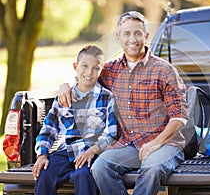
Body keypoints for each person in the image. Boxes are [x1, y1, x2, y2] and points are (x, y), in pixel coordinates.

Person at [58, 11, 188, 195]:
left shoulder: (164, 70)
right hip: (129, 144)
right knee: (100, 168)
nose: (132, 39)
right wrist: (65, 86)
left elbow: (179, 116)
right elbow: (85, 79)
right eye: (126, 33)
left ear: (146, 36)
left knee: (152, 170)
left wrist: (155, 144)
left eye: (138, 33)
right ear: (118, 37)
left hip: (165, 144)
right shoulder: (109, 70)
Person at [32, 45, 118, 195]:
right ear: (75, 66)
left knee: (83, 175)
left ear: (100, 71)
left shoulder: (107, 97)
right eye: (84, 66)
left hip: (92, 152)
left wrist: (93, 150)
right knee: (45, 173)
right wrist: (42, 155)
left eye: (95, 68)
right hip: (67, 150)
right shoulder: (65, 96)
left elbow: (111, 133)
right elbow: (49, 129)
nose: (89, 72)